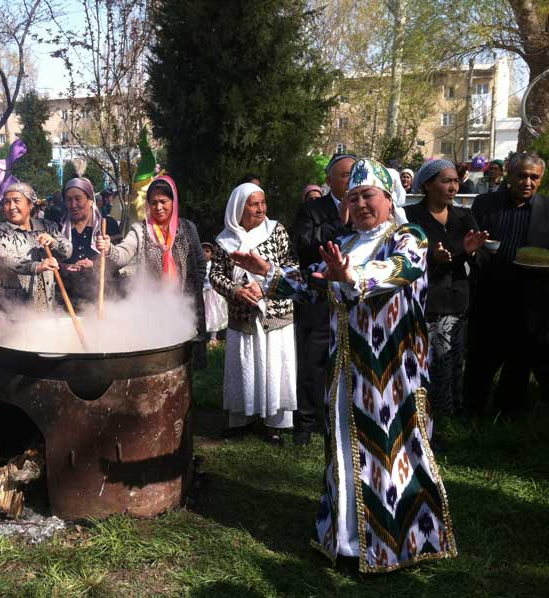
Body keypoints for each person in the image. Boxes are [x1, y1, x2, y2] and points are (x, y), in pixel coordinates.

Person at [231, 158, 457, 572]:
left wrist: (351, 277)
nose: (361, 204)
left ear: (388, 198)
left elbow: (398, 270)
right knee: (345, 449)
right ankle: (349, 541)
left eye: (368, 195)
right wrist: (269, 272)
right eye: (353, 198)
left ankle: (397, 543)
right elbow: (312, 283)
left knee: (392, 452)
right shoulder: (346, 243)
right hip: (346, 369)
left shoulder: (409, 237)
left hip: (393, 373)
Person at [209, 183, 297, 443]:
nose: (261, 209)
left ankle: (275, 423)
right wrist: (236, 290)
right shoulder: (224, 240)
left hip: (275, 310)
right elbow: (216, 275)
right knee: (244, 363)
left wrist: (264, 285)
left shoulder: (276, 231)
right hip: (242, 314)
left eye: (263, 203)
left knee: (275, 363)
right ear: (239, 208)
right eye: (253, 204)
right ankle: (241, 420)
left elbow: (291, 265)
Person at [465, 152, 549, 416]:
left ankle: (508, 417)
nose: (527, 182)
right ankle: (471, 412)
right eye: (522, 175)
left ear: (541, 179)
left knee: (519, 361)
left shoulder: (546, 209)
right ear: (509, 176)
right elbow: (472, 243)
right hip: (489, 293)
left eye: (534, 177)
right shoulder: (485, 204)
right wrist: (475, 252)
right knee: (480, 358)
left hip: (529, 298)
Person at [405, 160, 487, 415]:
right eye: (446, 181)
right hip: (424, 300)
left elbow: (481, 258)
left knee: (452, 361)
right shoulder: (410, 216)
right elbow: (401, 257)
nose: (453, 187)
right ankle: (421, 414)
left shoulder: (464, 216)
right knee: (424, 362)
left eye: (455, 181)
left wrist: (472, 253)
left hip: (456, 299)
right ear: (427, 185)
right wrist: (432, 258)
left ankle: (450, 416)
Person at [96, 175, 207, 363]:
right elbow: (124, 253)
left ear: (174, 201)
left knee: (185, 356)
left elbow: (200, 263)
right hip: (153, 305)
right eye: (153, 203)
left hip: (185, 303)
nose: (158, 207)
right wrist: (109, 248)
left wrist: (194, 289)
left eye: (163, 201)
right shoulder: (140, 230)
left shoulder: (188, 229)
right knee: (156, 356)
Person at [289, 153, 355, 446]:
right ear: (329, 180)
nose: (351, 181)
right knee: (312, 360)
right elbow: (303, 244)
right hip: (317, 296)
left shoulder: (365, 208)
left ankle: (343, 417)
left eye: (355, 174)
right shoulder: (313, 209)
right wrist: (339, 223)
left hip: (351, 298)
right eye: (345, 175)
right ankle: (305, 421)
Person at [0, 182, 72, 310]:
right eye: (7, 202)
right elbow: (5, 258)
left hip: (45, 304)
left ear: (30, 205)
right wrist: (37, 266)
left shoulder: (47, 227)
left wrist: (53, 242)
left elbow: (67, 251)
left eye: (16, 201)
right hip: (12, 310)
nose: (11, 207)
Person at [58, 177, 121, 306]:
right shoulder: (58, 228)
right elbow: (51, 261)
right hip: (66, 300)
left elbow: (118, 260)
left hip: (104, 299)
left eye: (78, 199)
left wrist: (93, 264)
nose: (73, 204)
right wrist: (64, 267)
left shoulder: (108, 225)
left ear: (90, 200)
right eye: (69, 200)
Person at [201, 242, 228, 343]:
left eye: (207, 251)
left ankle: (213, 337)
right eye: (202, 251)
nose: (204, 253)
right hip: (202, 292)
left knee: (213, 313)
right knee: (202, 314)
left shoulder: (214, 265)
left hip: (213, 293)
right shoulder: (199, 265)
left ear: (212, 254)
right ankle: (202, 335)